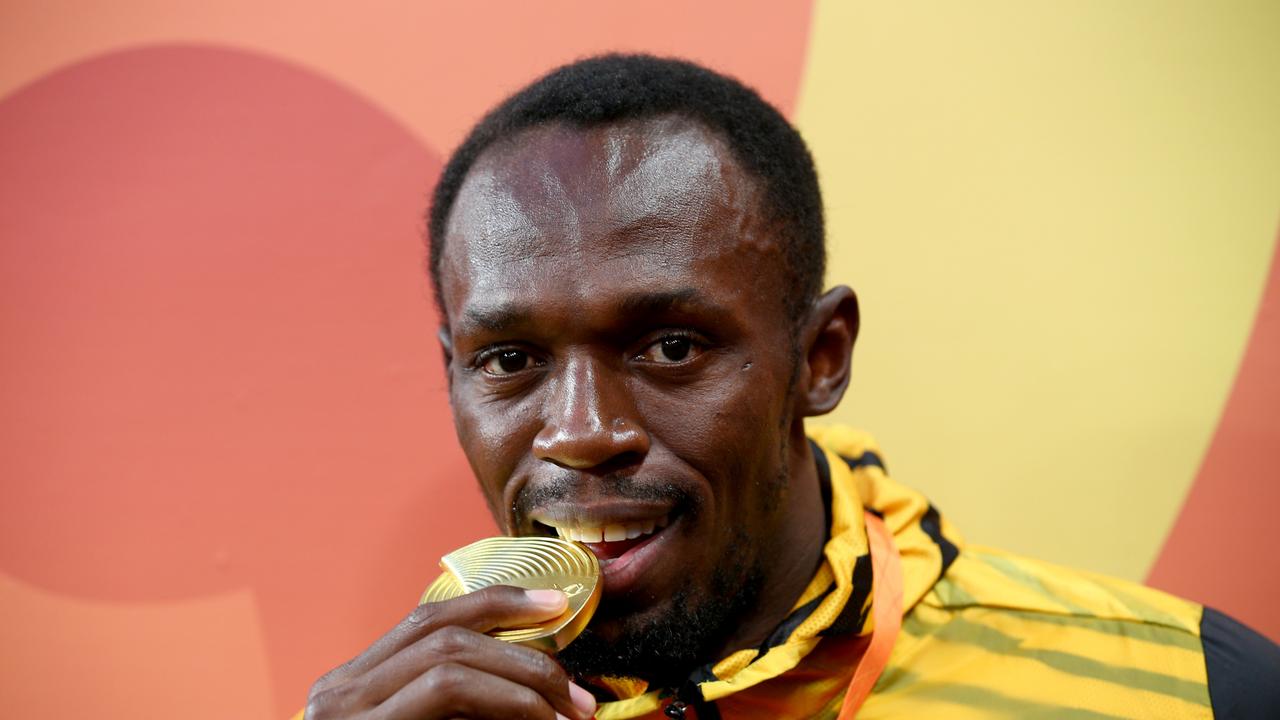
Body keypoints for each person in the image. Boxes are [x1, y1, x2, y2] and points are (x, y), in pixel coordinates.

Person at [303, 54, 1280, 719]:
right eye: (509, 361)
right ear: (452, 378)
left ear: (819, 357)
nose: (582, 432)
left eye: (670, 347)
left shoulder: (1188, 691)